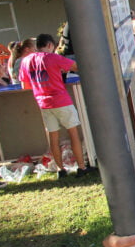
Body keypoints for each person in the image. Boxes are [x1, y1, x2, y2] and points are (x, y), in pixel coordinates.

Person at [18, 34, 95, 178]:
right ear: (50, 45)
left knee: (53, 137)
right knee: (73, 134)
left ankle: (61, 170)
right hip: (61, 100)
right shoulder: (54, 58)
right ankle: (81, 167)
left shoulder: (26, 61)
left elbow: (25, 85)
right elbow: (78, 67)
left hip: (43, 103)